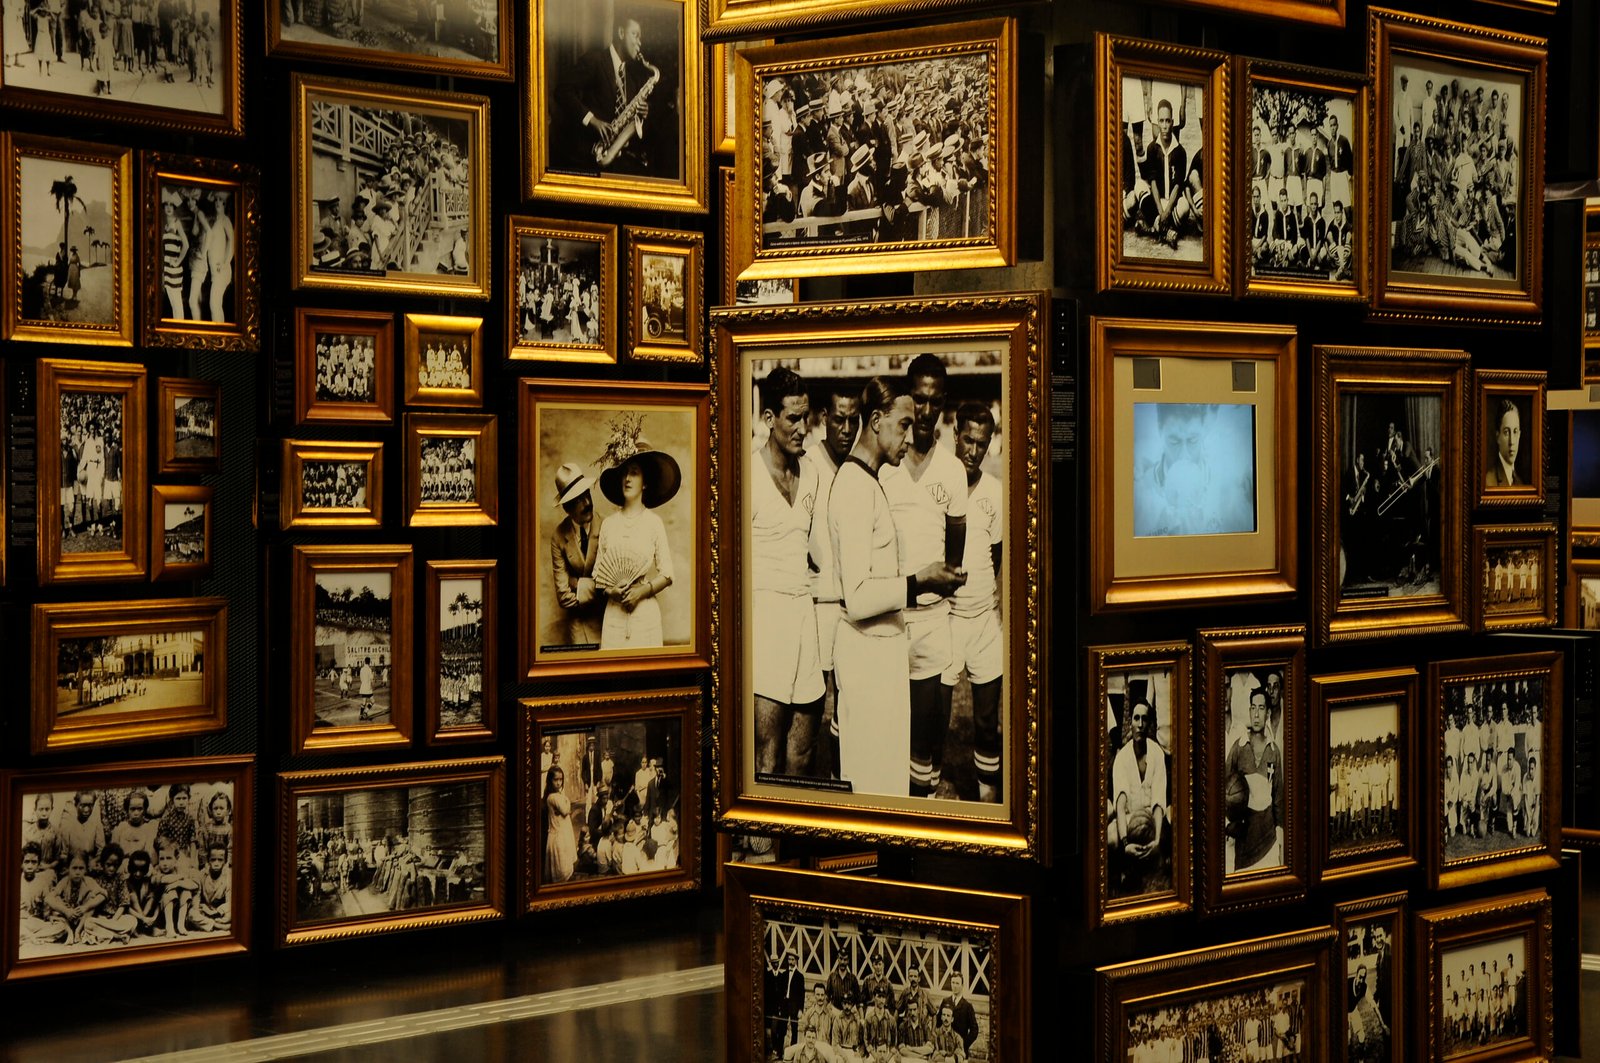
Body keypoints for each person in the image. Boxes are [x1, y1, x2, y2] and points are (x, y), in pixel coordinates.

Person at [828, 376, 963, 797]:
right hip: (867, 661)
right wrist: (920, 580)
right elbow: (858, 596)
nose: (912, 434)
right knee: (874, 794)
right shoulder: (853, 487)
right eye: (903, 424)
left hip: (882, 657)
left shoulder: (868, 481)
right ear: (875, 421)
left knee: (889, 788)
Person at [879, 355, 967, 798]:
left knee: (929, 730)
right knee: (889, 725)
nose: (926, 411)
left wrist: (944, 587)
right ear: (907, 398)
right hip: (891, 614)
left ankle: (923, 808)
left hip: (933, 618)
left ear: (944, 404)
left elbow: (956, 548)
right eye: (918, 400)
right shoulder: (885, 464)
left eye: (934, 402)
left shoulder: (952, 470)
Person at [750, 367, 825, 779]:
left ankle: (793, 840)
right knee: (767, 753)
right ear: (769, 420)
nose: (802, 428)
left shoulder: (812, 473)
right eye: (792, 419)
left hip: (804, 614)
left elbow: (815, 549)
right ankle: (760, 843)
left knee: (802, 752)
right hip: (765, 618)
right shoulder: (747, 472)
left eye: (806, 418)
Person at [945, 401, 1004, 801]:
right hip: (943, 617)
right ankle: (929, 792)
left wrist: (984, 592)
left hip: (985, 617)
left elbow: (995, 554)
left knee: (986, 718)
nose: (973, 450)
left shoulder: (996, 491)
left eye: (982, 443)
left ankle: (986, 797)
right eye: (968, 440)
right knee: (934, 717)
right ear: (955, 435)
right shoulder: (937, 482)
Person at [593, 428, 680, 651]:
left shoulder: (653, 523)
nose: (627, 478)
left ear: (645, 483)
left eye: (634, 473)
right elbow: (598, 576)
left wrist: (641, 592)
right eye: (624, 473)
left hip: (645, 615)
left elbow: (667, 573)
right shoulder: (609, 525)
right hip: (613, 615)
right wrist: (611, 591)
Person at [556, 12, 658, 175]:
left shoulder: (632, 79)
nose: (639, 43)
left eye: (640, 38)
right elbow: (562, 90)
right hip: (586, 158)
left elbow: (629, 119)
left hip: (616, 164)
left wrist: (641, 114)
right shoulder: (595, 60)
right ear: (621, 33)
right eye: (635, 35)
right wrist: (592, 120)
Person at [1108, 692, 1168, 894]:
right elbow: (1120, 801)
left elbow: (1159, 801)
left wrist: (1158, 839)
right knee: (1110, 838)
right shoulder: (1122, 758)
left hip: (1151, 818)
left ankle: (1162, 872)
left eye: (1144, 719)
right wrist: (1125, 843)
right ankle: (1118, 878)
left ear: (1149, 723)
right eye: (1136, 718)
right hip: (1130, 818)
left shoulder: (1157, 753)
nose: (1140, 724)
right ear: (1131, 723)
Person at [1225, 686, 1283, 872]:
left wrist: (1280, 836)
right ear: (1249, 711)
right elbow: (1222, 787)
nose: (1256, 714)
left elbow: (1278, 798)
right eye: (1253, 707)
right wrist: (1228, 825)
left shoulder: (1274, 752)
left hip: (1268, 840)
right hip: (1243, 843)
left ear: (1267, 712)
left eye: (1261, 708)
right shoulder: (1239, 747)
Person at [549, 461, 605, 648]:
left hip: (607, 619)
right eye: (578, 500)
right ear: (567, 508)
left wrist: (576, 583)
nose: (587, 503)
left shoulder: (607, 527)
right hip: (578, 626)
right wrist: (592, 586)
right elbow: (563, 596)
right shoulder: (558, 536)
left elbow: (609, 589)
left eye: (587, 494)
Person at [544, 766, 577, 884]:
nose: (559, 783)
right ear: (550, 781)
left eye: (560, 780)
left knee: (567, 866)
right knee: (561, 870)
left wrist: (566, 802)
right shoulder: (552, 797)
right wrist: (567, 801)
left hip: (564, 833)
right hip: (558, 837)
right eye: (555, 780)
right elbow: (565, 810)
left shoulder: (559, 796)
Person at [1486, 399, 1522, 487]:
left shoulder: (1520, 482)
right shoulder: (1489, 481)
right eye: (1506, 432)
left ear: (1519, 435)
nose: (1512, 441)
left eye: (1515, 431)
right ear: (1498, 437)